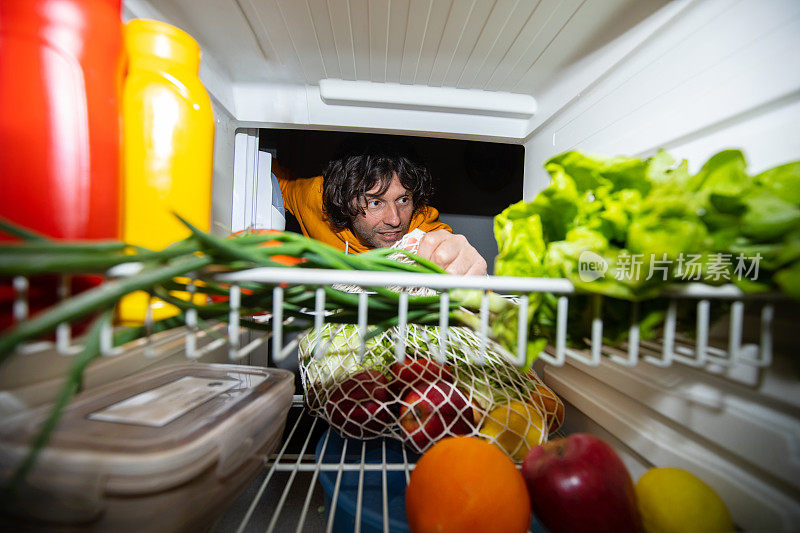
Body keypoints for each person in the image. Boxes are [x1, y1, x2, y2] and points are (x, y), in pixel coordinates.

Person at [274, 138, 487, 275]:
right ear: (344, 200)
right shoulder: (314, 198)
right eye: (376, 202)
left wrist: (467, 269)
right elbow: (277, 181)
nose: (395, 220)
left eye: (403, 200)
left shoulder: (422, 229)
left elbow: (450, 253)